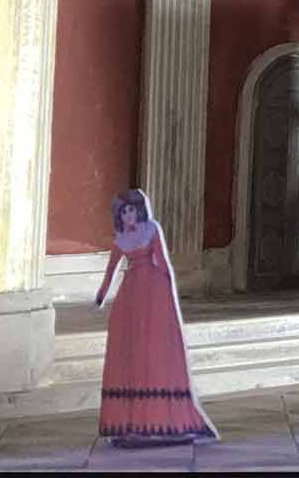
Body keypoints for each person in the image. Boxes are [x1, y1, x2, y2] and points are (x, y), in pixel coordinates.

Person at [94, 190, 218, 446]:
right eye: (123, 211)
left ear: (139, 209)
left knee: (154, 348)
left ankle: (164, 420)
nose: (128, 215)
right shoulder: (121, 239)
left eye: (131, 209)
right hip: (131, 295)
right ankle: (131, 422)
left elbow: (163, 262)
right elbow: (111, 269)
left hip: (154, 292)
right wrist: (101, 295)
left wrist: (170, 295)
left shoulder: (152, 230)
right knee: (132, 352)